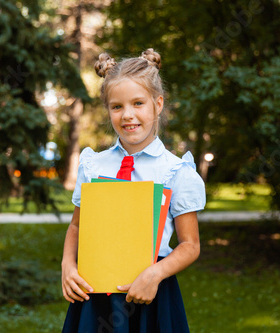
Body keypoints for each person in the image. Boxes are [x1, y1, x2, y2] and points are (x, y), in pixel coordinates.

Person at [61, 48, 206, 333]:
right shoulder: (93, 166)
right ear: (109, 110)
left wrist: (156, 274)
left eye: (138, 103)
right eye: (117, 106)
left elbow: (190, 245)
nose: (128, 115)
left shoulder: (175, 171)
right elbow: (77, 227)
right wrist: (68, 265)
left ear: (158, 104)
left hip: (151, 293)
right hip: (95, 296)